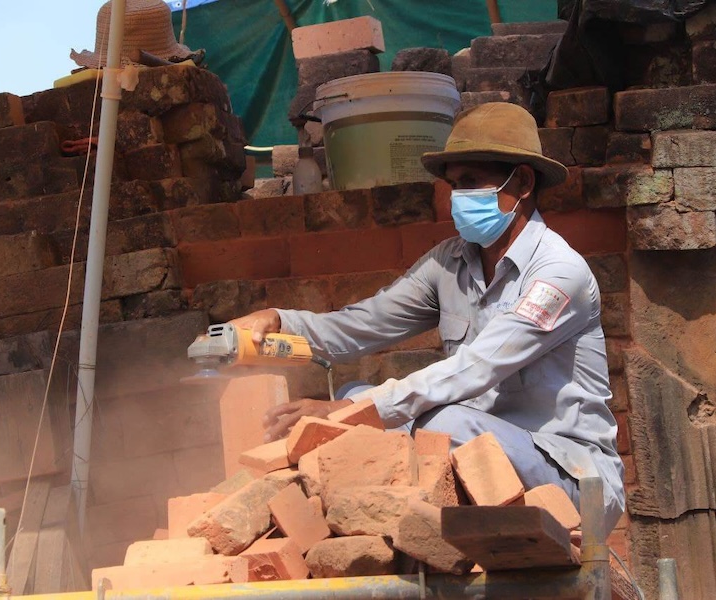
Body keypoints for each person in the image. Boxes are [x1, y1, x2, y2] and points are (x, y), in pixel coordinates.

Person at [231, 102, 625, 532]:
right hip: (476, 452)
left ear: (523, 182)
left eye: (471, 183)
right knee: (356, 391)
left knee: (432, 420)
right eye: (454, 185)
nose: (458, 198)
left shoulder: (558, 274)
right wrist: (278, 320)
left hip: (570, 477)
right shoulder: (448, 263)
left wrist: (347, 411)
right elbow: (361, 325)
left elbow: (472, 370)